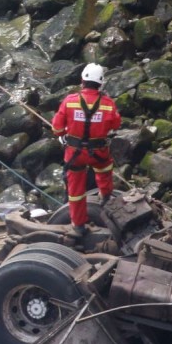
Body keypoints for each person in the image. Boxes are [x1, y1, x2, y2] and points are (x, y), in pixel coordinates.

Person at [51, 64, 121, 241]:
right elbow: (115, 124)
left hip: (75, 153)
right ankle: (105, 196)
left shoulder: (70, 101)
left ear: (82, 80)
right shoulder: (107, 103)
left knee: (75, 191)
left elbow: (57, 128)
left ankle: (79, 225)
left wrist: (64, 134)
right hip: (99, 151)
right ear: (100, 83)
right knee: (104, 170)